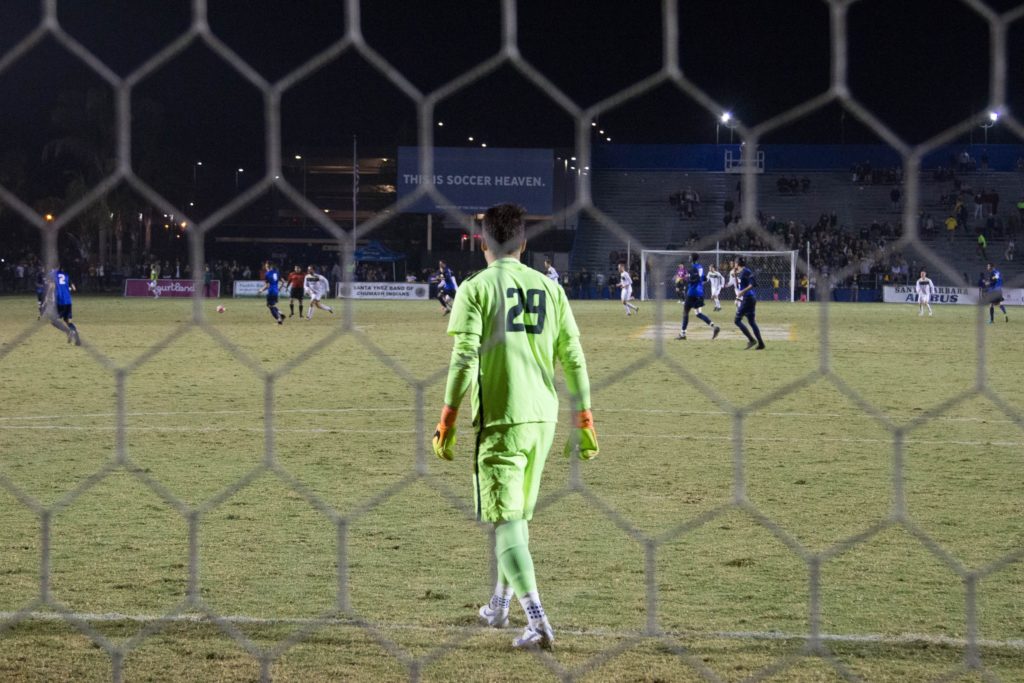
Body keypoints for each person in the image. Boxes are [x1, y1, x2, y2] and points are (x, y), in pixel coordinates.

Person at [431, 203, 597, 651]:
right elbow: (574, 357)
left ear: (483, 243)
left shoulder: (476, 288)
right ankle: (499, 605)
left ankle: (538, 619)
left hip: (501, 418)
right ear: (523, 244)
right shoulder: (550, 287)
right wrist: (583, 418)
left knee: (505, 520)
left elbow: (464, 358)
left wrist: (447, 417)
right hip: (543, 418)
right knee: (517, 518)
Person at [675, 254, 720, 340]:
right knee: (698, 313)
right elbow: (703, 279)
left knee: (685, 312)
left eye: (690, 257)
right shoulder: (700, 267)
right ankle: (714, 327)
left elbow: (693, 280)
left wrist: (686, 279)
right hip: (700, 293)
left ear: (692, 259)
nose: (689, 258)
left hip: (692, 293)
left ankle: (683, 334)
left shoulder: (692, 268)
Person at [734, 256, 765, 350]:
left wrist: (742, 292)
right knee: (751, 322)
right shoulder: (740, 272)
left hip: (748, 298)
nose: (734, 264)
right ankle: (761, 344)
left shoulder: (746, 271)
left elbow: (753, 284)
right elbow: (739, 285)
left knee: (737, 320)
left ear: (737, 263)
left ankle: (752, 340)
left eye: (735, 262)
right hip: (749, 298)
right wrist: (735, 275)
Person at [46, 264, 81, 345]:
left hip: (59, 301)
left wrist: (48, 296)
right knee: (68, 321)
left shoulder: (52, 275)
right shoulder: (66, 275)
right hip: (68, 301)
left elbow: (52, 286)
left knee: (53, 320)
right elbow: (74, 288)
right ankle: (78, 340)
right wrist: (67, 289)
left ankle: (68, 331)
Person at [257, 260, 285, 325]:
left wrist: (261, 290)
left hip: (271, 291)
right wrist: (279, 289)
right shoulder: (277, 272)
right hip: (276, 291)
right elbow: (283, 281)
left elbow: (267, 286)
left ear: (268, 266)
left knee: (270, 306)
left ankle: (279, 319)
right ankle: (281, 314)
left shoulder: (267, 274)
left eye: (266, 265)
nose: (265, 267)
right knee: (271, 305)